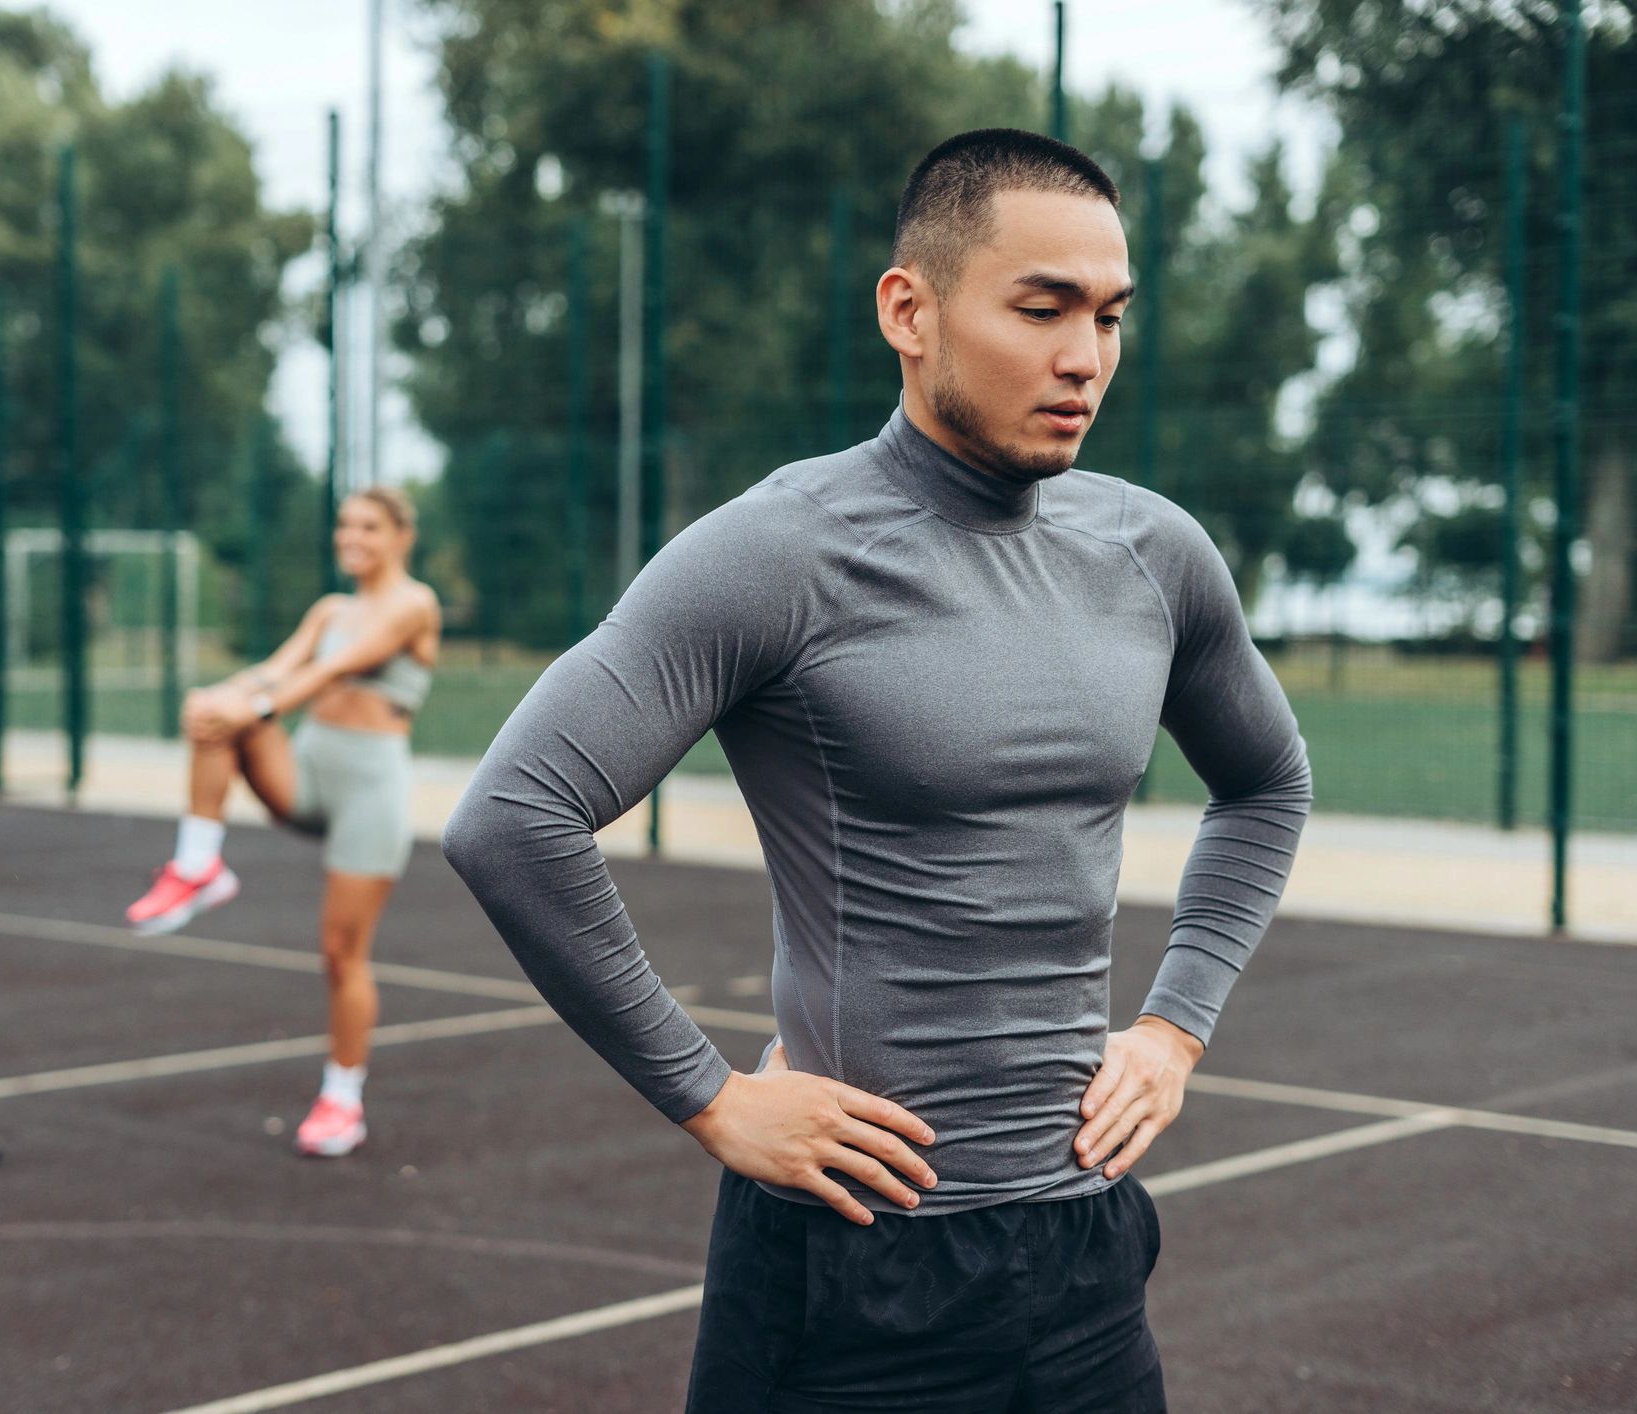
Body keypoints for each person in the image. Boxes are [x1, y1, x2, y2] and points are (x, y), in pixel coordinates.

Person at [442, 129, 1312, 1411]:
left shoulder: (1153, 553)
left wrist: (1175, 1030)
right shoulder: (780, 551)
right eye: (1043, 307)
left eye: (1112, 315)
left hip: (1084, 1255)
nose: (1086, 357)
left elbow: (1268, 784)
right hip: (852, 1265)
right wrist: (711, 1098)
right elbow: (512, 817)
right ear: (910, 309)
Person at [124, 488, 441, 1158]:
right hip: (309, 766)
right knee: (218, 719)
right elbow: (278, 666)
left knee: (339, 955)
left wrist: (256, 705)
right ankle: (197, 866)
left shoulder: (414, 604)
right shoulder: (331, 607)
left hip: (370, 790)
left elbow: (336, 667)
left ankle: (341, 1101)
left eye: (369, 527)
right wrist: (221, 697)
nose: (351, 537)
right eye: (345, 525)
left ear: (400, 537)